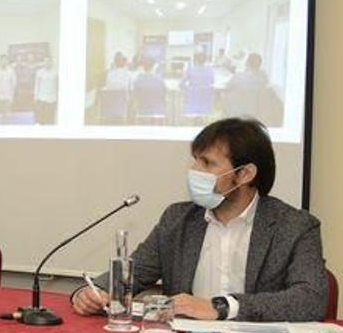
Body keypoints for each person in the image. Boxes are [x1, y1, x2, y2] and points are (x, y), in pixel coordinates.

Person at [72, 117, 328, 322]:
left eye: (207, 163)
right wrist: (91, 293)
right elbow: (131, 275)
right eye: (195, 160)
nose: (194, 170)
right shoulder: (178, 220)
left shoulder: (294, 227)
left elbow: (310, 300)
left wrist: (221, 307)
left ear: (245, 174)